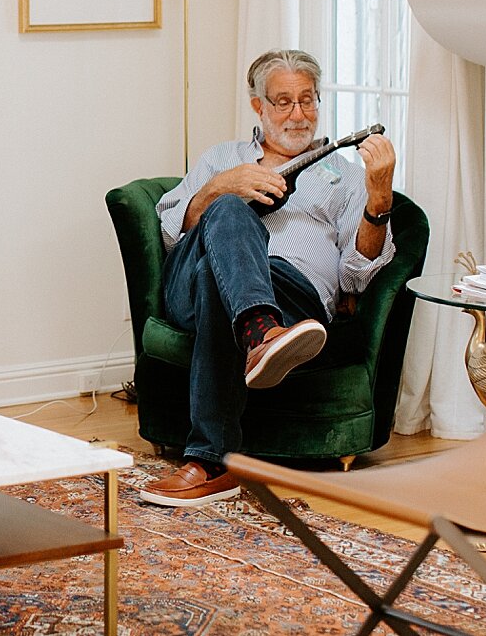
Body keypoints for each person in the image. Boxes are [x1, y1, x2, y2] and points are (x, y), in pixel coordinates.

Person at [138, 48, 396, 507]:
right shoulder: (224, 158)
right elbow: (169, 229)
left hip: (292, 296)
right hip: (191, 286)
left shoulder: (344, 176)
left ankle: (211, 463)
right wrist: (219, 190)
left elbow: (357, 276)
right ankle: (261, 331)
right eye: (283, 102)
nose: (298, 114)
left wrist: (379, 196)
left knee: (225, 286)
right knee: (231, 212)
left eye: (308, 100)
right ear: (258, 106)